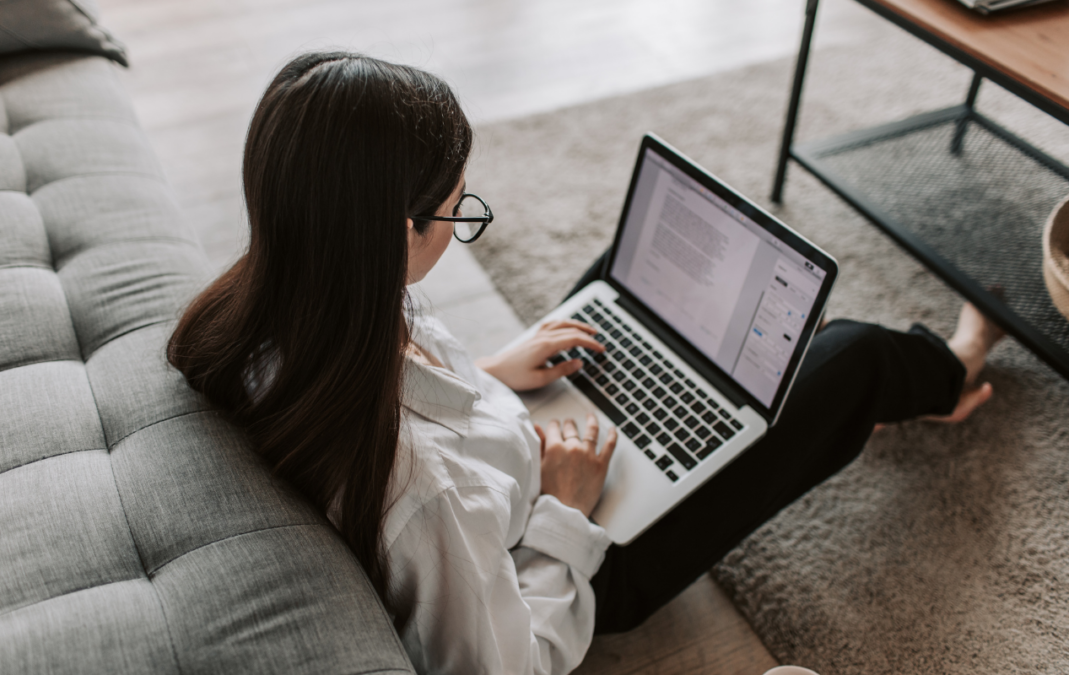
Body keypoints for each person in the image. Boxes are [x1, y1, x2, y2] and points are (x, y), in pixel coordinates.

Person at [167, 51, 1004, 675]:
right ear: (396, 231)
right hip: (579, 549)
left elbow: (402, 409)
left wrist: (491, 373)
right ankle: (952, 368)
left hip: (513, 452)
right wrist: (567, 513)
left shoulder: (281, 306)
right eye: (459, 212)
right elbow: (515, 663)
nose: (463, 220)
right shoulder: (424, 498)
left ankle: (664, 361)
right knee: (847, 356)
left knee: (626, 286)